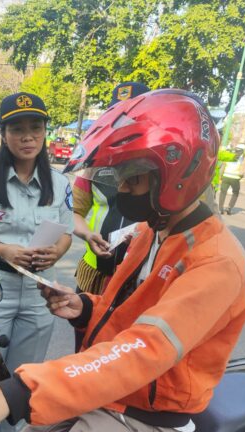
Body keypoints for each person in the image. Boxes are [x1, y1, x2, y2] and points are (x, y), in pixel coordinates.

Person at [0, 89, 245, 432]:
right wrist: (86, 307)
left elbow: (145, 348)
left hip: (142, 417)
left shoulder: (216, 263)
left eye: (133, 177)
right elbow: (130, 313)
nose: (122, 189)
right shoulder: (153, 231)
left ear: (177, 172)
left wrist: (14, 394)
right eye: (120, 177)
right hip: (102, 390)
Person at [0, 92, 74, 432]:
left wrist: (54, 253)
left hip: (40, 294)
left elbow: (67, 233)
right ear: (2, 133)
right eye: (18, 129)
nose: (28, 137)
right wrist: (4, 250)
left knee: (25, 381)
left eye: (35, 128)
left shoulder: (60, 185)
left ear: (44, 132)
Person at [73, 82, 150, 296]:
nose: (124, 122)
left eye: (132, 115)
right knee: (85, 326)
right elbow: (73, 212)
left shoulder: (161, 163)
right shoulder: (93, 162)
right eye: (117, 114)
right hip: (95, 274)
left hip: (140, 280)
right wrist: (88, 234)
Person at [218, 144, 245, 215]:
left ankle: (220, 209)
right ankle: (229, 208)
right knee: (235, 193)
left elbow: (223, 166)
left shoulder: (229, 155)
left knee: (223, 192)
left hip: (225, 177)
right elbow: (242, 171)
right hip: (235, 178)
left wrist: (221, 176)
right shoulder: (242, 159)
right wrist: (240, 176)